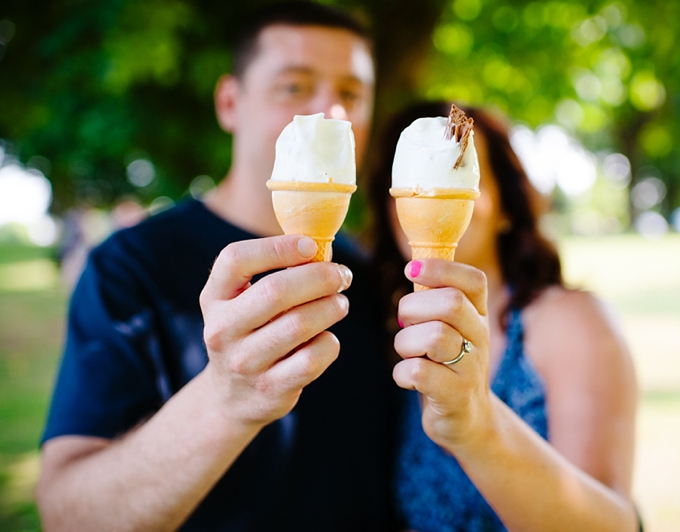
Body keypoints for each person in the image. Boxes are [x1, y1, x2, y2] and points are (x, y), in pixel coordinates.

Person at [37, 3, 397, 530]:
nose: (332, 114)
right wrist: (225, 400)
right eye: (294, 87)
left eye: (352, 93)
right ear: (230, 103)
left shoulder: (376, 274)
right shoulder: (130, 267)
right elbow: (68, 516)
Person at [368, 102, 641, 531]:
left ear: (506, 206)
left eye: (455, 169)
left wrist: (476, 427)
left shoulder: (570, 322)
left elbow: (614, 525)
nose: (426, 190)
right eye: (409, 174)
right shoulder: (388, 326)